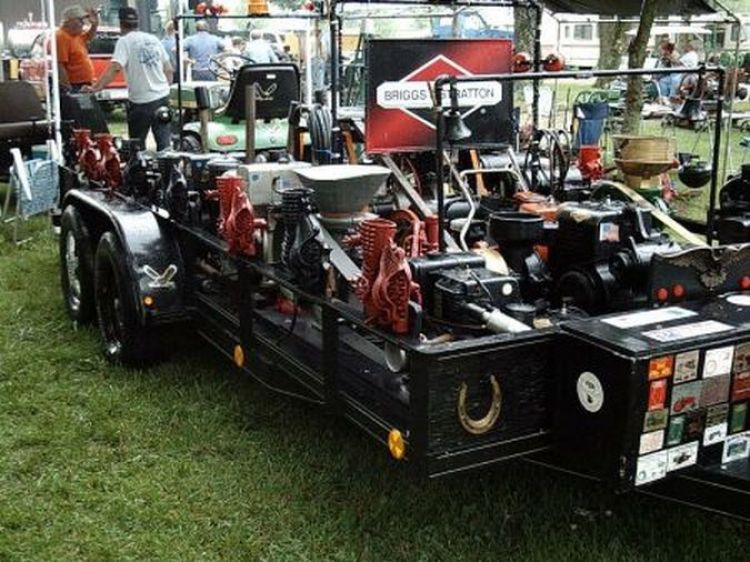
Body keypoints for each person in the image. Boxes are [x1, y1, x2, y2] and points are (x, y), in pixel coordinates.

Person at [84, 8, 173, 151]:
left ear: (120, 23)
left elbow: (115, 68)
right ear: (137, 22)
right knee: (164, 144)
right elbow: (168, 69)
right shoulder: (153, 39)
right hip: (162, 97)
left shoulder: (125, 42)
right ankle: (167, 165)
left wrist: (96, 87)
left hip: (141, 101)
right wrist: (165, 89)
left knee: (137, 145)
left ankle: (138, 165)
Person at [56, 4, 99, 92]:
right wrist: (68, 88)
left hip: (82, 83)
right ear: (70, 21)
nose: (83, 23)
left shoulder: (75, 35)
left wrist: (94, 25)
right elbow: (60, 65)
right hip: (74, 85)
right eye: (80, 20)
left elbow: (89, 36)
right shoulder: (62, 36)